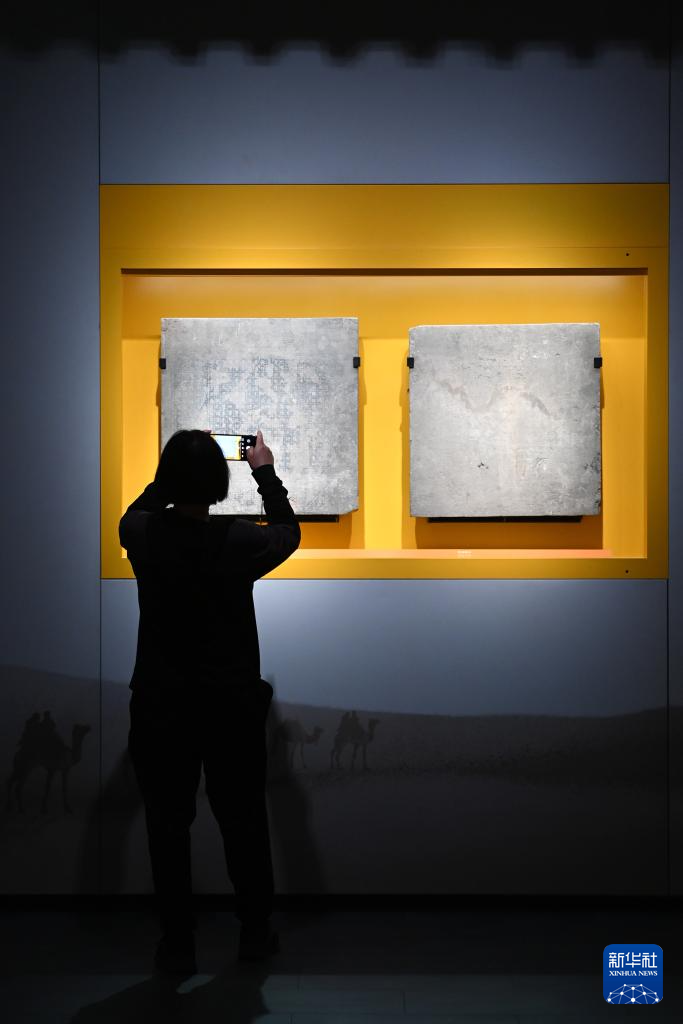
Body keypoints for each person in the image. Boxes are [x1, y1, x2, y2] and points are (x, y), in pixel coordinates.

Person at [119, 428, 300, 974]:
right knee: (243, 820)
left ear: (167, 478)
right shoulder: (239, 541)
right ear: (221, 480)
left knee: (167, 825)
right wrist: (264, 471)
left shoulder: (143, 534)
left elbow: (137, 511)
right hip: (229, 704)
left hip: (161, 702)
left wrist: (174, 473)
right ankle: (253, 933)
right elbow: (288, 532)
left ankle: (177, 943)